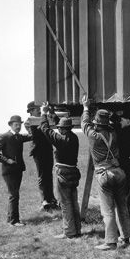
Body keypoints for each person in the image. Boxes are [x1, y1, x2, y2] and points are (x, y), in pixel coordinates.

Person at [81, 95, 130, 251]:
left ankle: (110, 241)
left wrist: (85, 107)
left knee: (107, 209)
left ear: (96, 122)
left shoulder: (93, 136)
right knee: (122, 206)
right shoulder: (113, 134)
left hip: (104, 174)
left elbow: (84, 123)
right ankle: (126, 236)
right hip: (119, 172)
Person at [39, 102, 81, 239]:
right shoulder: (73, 137)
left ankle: (69, 231)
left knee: (65, 204)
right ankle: (77, 230)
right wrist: (52, 112)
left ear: (62, 129)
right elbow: (61, 125)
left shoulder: (59, 139)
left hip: (63, 174)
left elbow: (45, 129)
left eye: (60, 128)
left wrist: (44, 114)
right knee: (74, 202)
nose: (58, 129)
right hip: (74, 173)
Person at [0, 115, 32, 226]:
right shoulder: (5, 137)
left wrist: (29, 127)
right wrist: (7, 160)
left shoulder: (19, 137)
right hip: (9, 171)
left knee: (14, 195)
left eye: (20, 125)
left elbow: (32, 136)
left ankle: (10, 219)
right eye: (16, 125)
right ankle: (15, 221)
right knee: (14, 195)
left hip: (18, 170)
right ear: (10, 125)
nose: (18, 127)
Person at [25, 101, 59, 211]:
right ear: (30, 111)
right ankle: (44, 200)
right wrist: (44, 123)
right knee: (42, 176)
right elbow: (35, 134)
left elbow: (53, 124)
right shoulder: (28, 122)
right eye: (36, 109)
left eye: (39, 108)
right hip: (38, 151)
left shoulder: (44, 119)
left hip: (47, 149)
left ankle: (51, 199)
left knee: (49, 174)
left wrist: (50, 112)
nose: (39, 110)